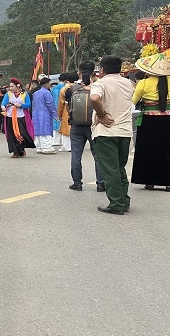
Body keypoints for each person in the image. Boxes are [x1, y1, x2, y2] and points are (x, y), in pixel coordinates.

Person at [90, 55, 134, 215]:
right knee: (119, 167)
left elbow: (94, 98)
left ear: (102, 69)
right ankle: (124, 200)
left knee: (110, 169)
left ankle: (116, 204)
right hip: (125, 132)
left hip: (106, 132)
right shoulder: (129, 83)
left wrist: (101, 113)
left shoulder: (100, 83)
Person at [130, 52, 170, 191]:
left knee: (148, 151)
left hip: (149, 121)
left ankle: (149, 181)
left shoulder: (143, 83)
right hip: (168, 120)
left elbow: (133, 101)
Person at [65, 65, 104, 192]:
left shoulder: (71, 88)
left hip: (76, 125)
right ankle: (101, 183)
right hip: (94, 125)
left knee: (76, 154)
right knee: (98, 155)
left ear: (79, 73)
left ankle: (77, 183)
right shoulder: (99, 87)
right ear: (94, 72)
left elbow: (68, 107)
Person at [1, 78, 35, 158]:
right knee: (11, 134)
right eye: (10, 86)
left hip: (20, 117)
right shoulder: (8, 94)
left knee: (21, 133)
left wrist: (21, 105)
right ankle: (15, 151)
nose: (10, 88)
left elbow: (28, 104)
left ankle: (21, 149)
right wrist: (4, 106)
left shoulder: (24, 95)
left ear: (18, 86)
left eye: (12, 86)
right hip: (10, 117)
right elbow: (4, 103)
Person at [32, 76, 58, 153]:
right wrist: (54, 114)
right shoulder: (47, 92)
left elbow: (33, 104)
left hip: (36, 113)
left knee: (38, 130)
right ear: (46, 84)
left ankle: (39, 147)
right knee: (46, 129)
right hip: (45, 113)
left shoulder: (35, 93)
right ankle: (47, 147)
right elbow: (50, 104)